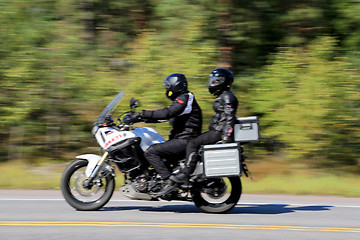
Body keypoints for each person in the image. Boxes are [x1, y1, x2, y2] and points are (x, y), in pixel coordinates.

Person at [157, 68, 238, 196]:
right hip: (217, 130)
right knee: (194, 143)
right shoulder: (224, 95)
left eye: (215, 81)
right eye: (212, 81)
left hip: (218, 132)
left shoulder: (227, 96)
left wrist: (226, 136)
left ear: (223, 81)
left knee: (193, 143)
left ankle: (186, 174)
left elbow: (230, 117)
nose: (212, 83)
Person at [127, 73, 202, 183]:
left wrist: (142, 114)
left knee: (151, 152)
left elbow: (168, 113)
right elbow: (162, 118)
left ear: (176, 86)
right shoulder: (179, 102)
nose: (167, 90)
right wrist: (138, 119)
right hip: (180, 139)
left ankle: (169, 182)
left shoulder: (186, 98)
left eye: (168, 87)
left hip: (186, 140)